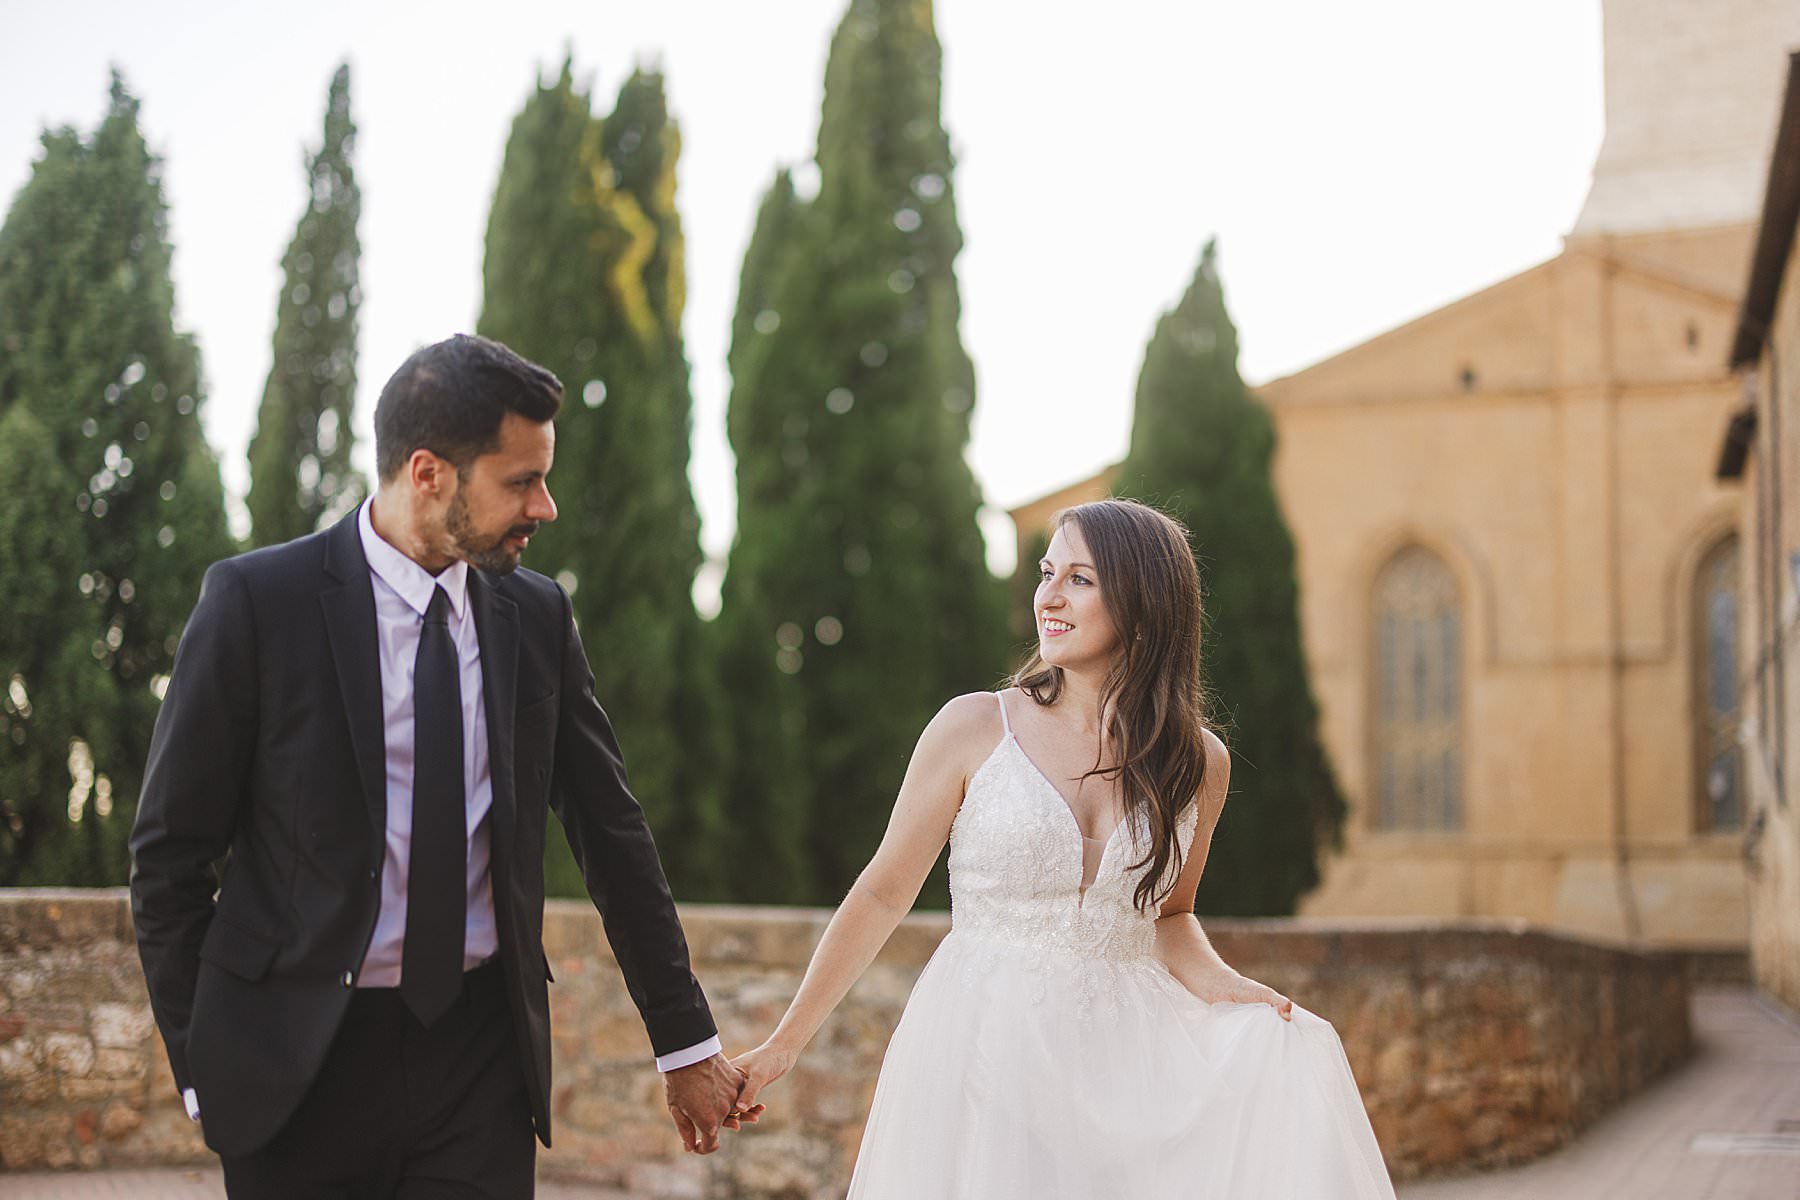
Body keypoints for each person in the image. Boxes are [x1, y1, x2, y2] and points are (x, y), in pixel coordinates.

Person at [130, 334, 750, 1198]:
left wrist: (685, 1043)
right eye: (521, 481)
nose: (545, 506)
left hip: (479, 1064)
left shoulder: (538, 617)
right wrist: (204, 1063)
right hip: (296, 1067)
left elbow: (612, 833)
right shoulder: (258, 604)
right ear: (427, 472)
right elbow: (169, 858)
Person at [729, 498, 1396, 1197]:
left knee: (1292, 1058)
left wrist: (1225, 985)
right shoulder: (973, 726)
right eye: (1048, 573)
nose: (1048, 595)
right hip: (981, 1044)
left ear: (1144, 603)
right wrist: (784, 1043)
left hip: (1129, 1060)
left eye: (1080, 579)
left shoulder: (1199, 763)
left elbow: (1169, 916)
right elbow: (881, 892)